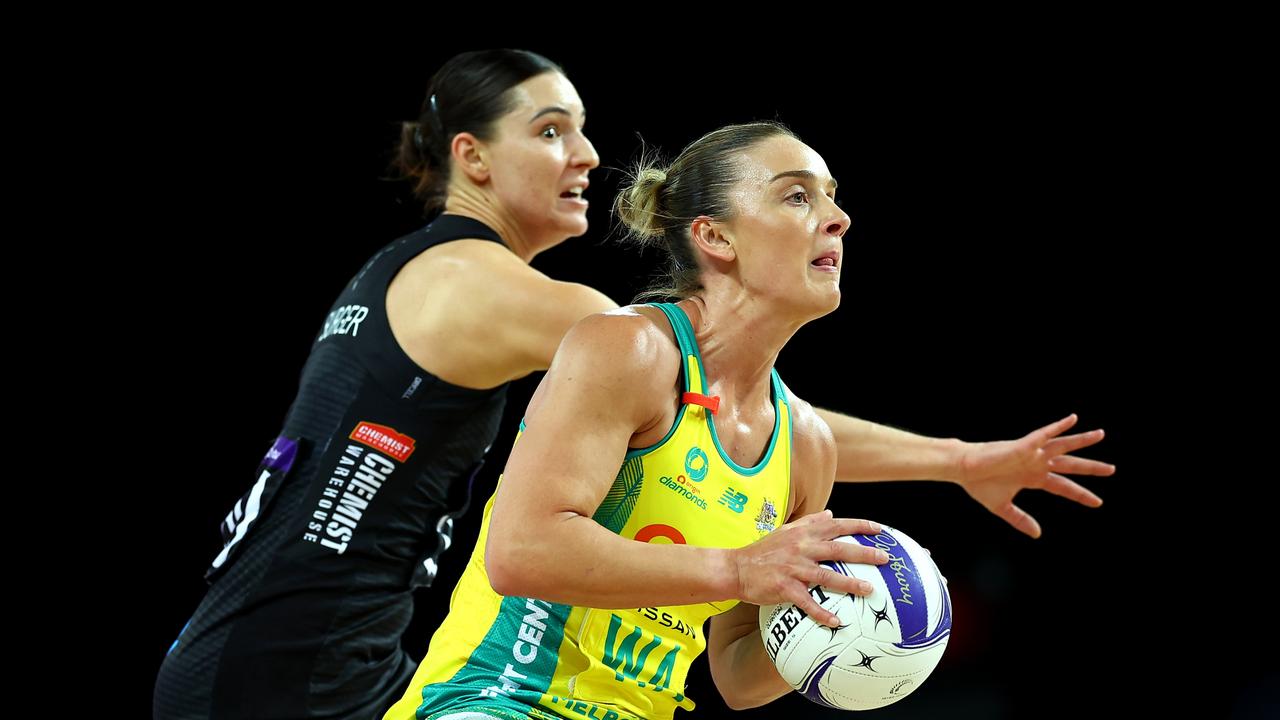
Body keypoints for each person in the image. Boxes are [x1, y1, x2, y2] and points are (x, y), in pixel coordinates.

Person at [157, 48, 1113, 719]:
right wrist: (945, 461)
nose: (583, 154)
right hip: (333, 662)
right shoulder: (573, 323)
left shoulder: (784, 436)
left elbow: (739, 659)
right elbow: (661, 394)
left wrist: (854, 634)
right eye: (551, 129)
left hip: (317, 640)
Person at [382, 121, 1109, 720]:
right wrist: (740, 567)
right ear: (716, 238)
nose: (838, 217)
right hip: (495, 700)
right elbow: (522, 553)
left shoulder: (805, 444)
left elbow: (735, 669)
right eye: (797, 197)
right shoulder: (628, 348)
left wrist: (857, 634)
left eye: (832, 197)